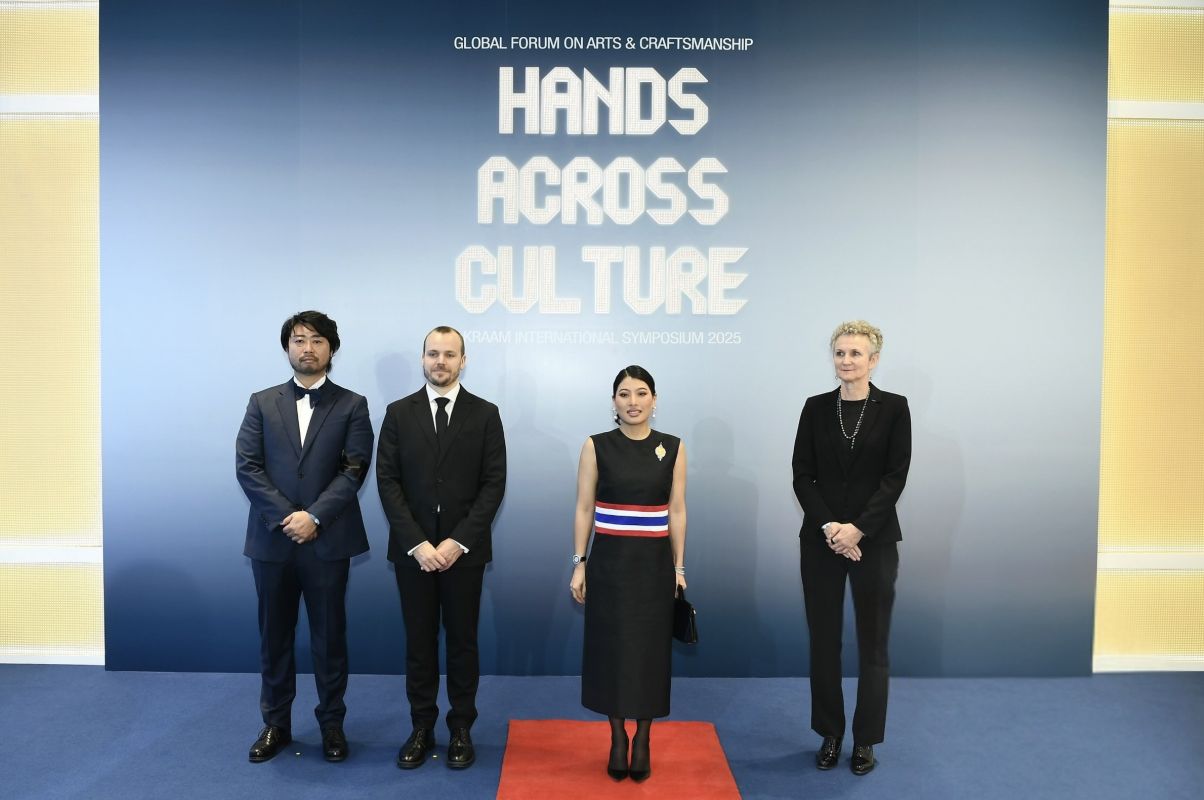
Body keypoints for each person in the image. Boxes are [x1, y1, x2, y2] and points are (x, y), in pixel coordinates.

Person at [236, 310, 373, 764]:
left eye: (316, 340)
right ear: (287, 348)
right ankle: (275, 724)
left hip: (328, 541)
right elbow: (248, 467)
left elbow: (353, 469)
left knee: (329, 639)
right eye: (298, 340)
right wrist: (287, 517)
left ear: (332, 348)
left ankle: (332, 724)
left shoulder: (352, 405)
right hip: (272, 543)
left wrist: (314, 516)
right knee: (273, 638)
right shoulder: (261, 402)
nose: (307, 348)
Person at [376, 325, 506, 771]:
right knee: (419, 643)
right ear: (423, 359)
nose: (441, 362)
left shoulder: (485, 414)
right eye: (433, 353)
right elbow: (387, 482)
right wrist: (417, 543)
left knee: (463, 643)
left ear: (463, 361)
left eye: (450, 354)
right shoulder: (398, 413)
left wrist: (457, 542)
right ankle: (421, 727)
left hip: (463, 554)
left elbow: (493, 485)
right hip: (413, 554)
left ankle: (461, 728)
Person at [792, 320, 911, 776]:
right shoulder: (815, 407)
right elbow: (802, 475)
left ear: (873, 360)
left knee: (873, 644)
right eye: (840, 352)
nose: (846, 360)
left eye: (856, 353)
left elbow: (894, 478)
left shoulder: (895, 408)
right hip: (821, 541)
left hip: (874, 542)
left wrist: (858, 530)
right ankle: (830, 732)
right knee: (824, 642)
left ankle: (865, 740)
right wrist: (831, 528)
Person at [570, 365, 688, 782]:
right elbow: (584, 507)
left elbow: (677, 510)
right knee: (612, 652)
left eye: (641, 393)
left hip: (654, 568)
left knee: (650, 654)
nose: (633, 401)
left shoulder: (673, 447)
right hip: (609, 566)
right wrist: (580, 562)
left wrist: (678, 567)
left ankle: (644, 739)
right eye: (624, 394)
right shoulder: (596, 446)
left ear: (655, 400)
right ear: (614, 401)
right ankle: (618, 736)